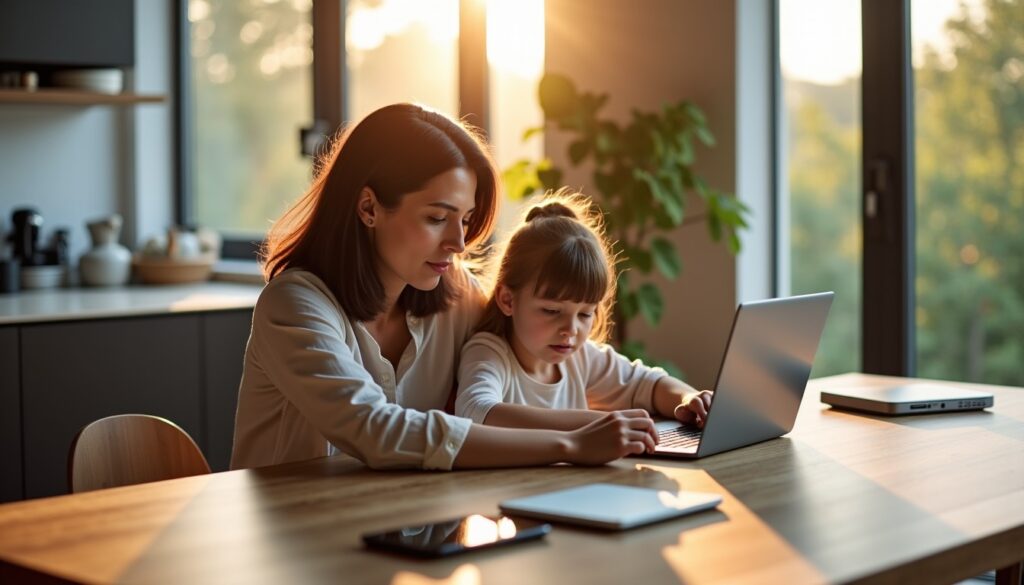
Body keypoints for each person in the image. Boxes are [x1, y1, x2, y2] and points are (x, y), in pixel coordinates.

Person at [230, 103, 658, 471]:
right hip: (296, 545)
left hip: (412, 536)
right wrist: (572, 443)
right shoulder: (295, 305)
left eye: (466, 220)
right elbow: (376, 430)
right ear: (368, 208)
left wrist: (678, 399)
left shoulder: (455, 295)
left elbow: (550, 344)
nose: (459, 242)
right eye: (437, 218)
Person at [455, 190, 714, 433]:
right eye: (552, 310)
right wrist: (596, 424)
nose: (571, 329)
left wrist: (689, 398)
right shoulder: (489, 352)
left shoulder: (580, 357)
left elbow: (647, 384)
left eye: (585, 314)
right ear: (508, 300)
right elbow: (477, 411)